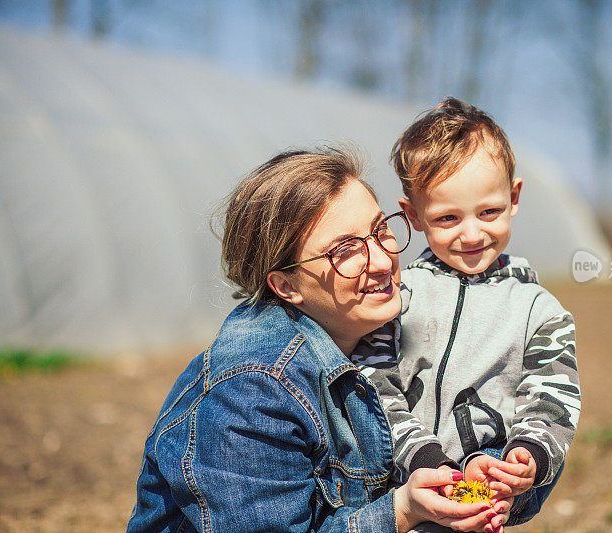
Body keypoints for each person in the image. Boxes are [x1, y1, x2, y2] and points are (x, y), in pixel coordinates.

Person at [126, 147, 510, 532]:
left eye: (380, 230)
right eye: (343, 251)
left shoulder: (384, 332)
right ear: (286, 285)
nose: (381, 260)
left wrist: (492, 468)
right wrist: (403, 511)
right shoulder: (255, 389)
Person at [356, 98, 581, 529]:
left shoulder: (540, 311)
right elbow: (373, 385)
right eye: (447, 218)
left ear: (513, 198)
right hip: (402, 482)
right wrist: (426, 460)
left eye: (489, 212)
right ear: (414, 215)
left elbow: (553, 398)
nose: (472, 233)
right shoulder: (397, 297)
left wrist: (526, 457)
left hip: (488, 485)